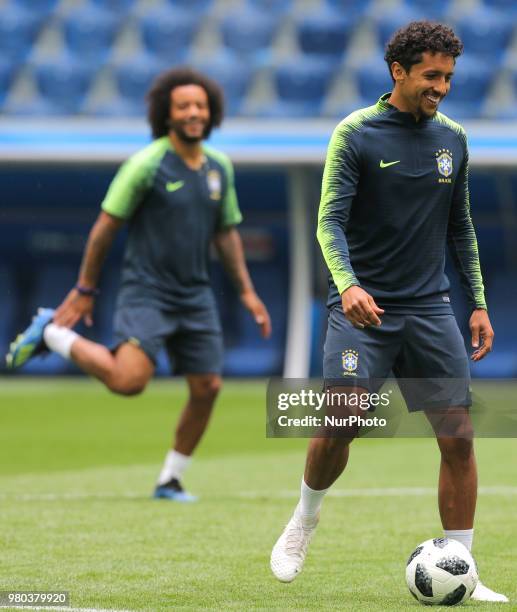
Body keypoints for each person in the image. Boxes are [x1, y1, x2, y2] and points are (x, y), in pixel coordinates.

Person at [270, 22, 507, 602]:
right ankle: (303, 521)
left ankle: (463, 566)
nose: (442, 88)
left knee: (458, 437)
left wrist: (477, 301)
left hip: (430, 308)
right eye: (431, 76)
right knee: (341, 422)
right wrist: (347, 285)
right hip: (363, 309)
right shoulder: (355, 134)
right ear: (398, 72)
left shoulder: (454, 139)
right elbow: (328, 222)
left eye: (448, 77)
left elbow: (462, 227)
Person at [7, 67, 271, 502]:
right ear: (167, 114)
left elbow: (226, 233)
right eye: (183, 105)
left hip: (196, 294)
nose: (193, 112)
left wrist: (245, 290)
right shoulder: (146, 164)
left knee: (208, 387)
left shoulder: (218, 167)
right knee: (129, 382)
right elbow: (105, 227)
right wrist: (85, 288)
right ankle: (52, 332)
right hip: (147, 291)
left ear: (211, 113)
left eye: (200, 106)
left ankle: (170, 479)